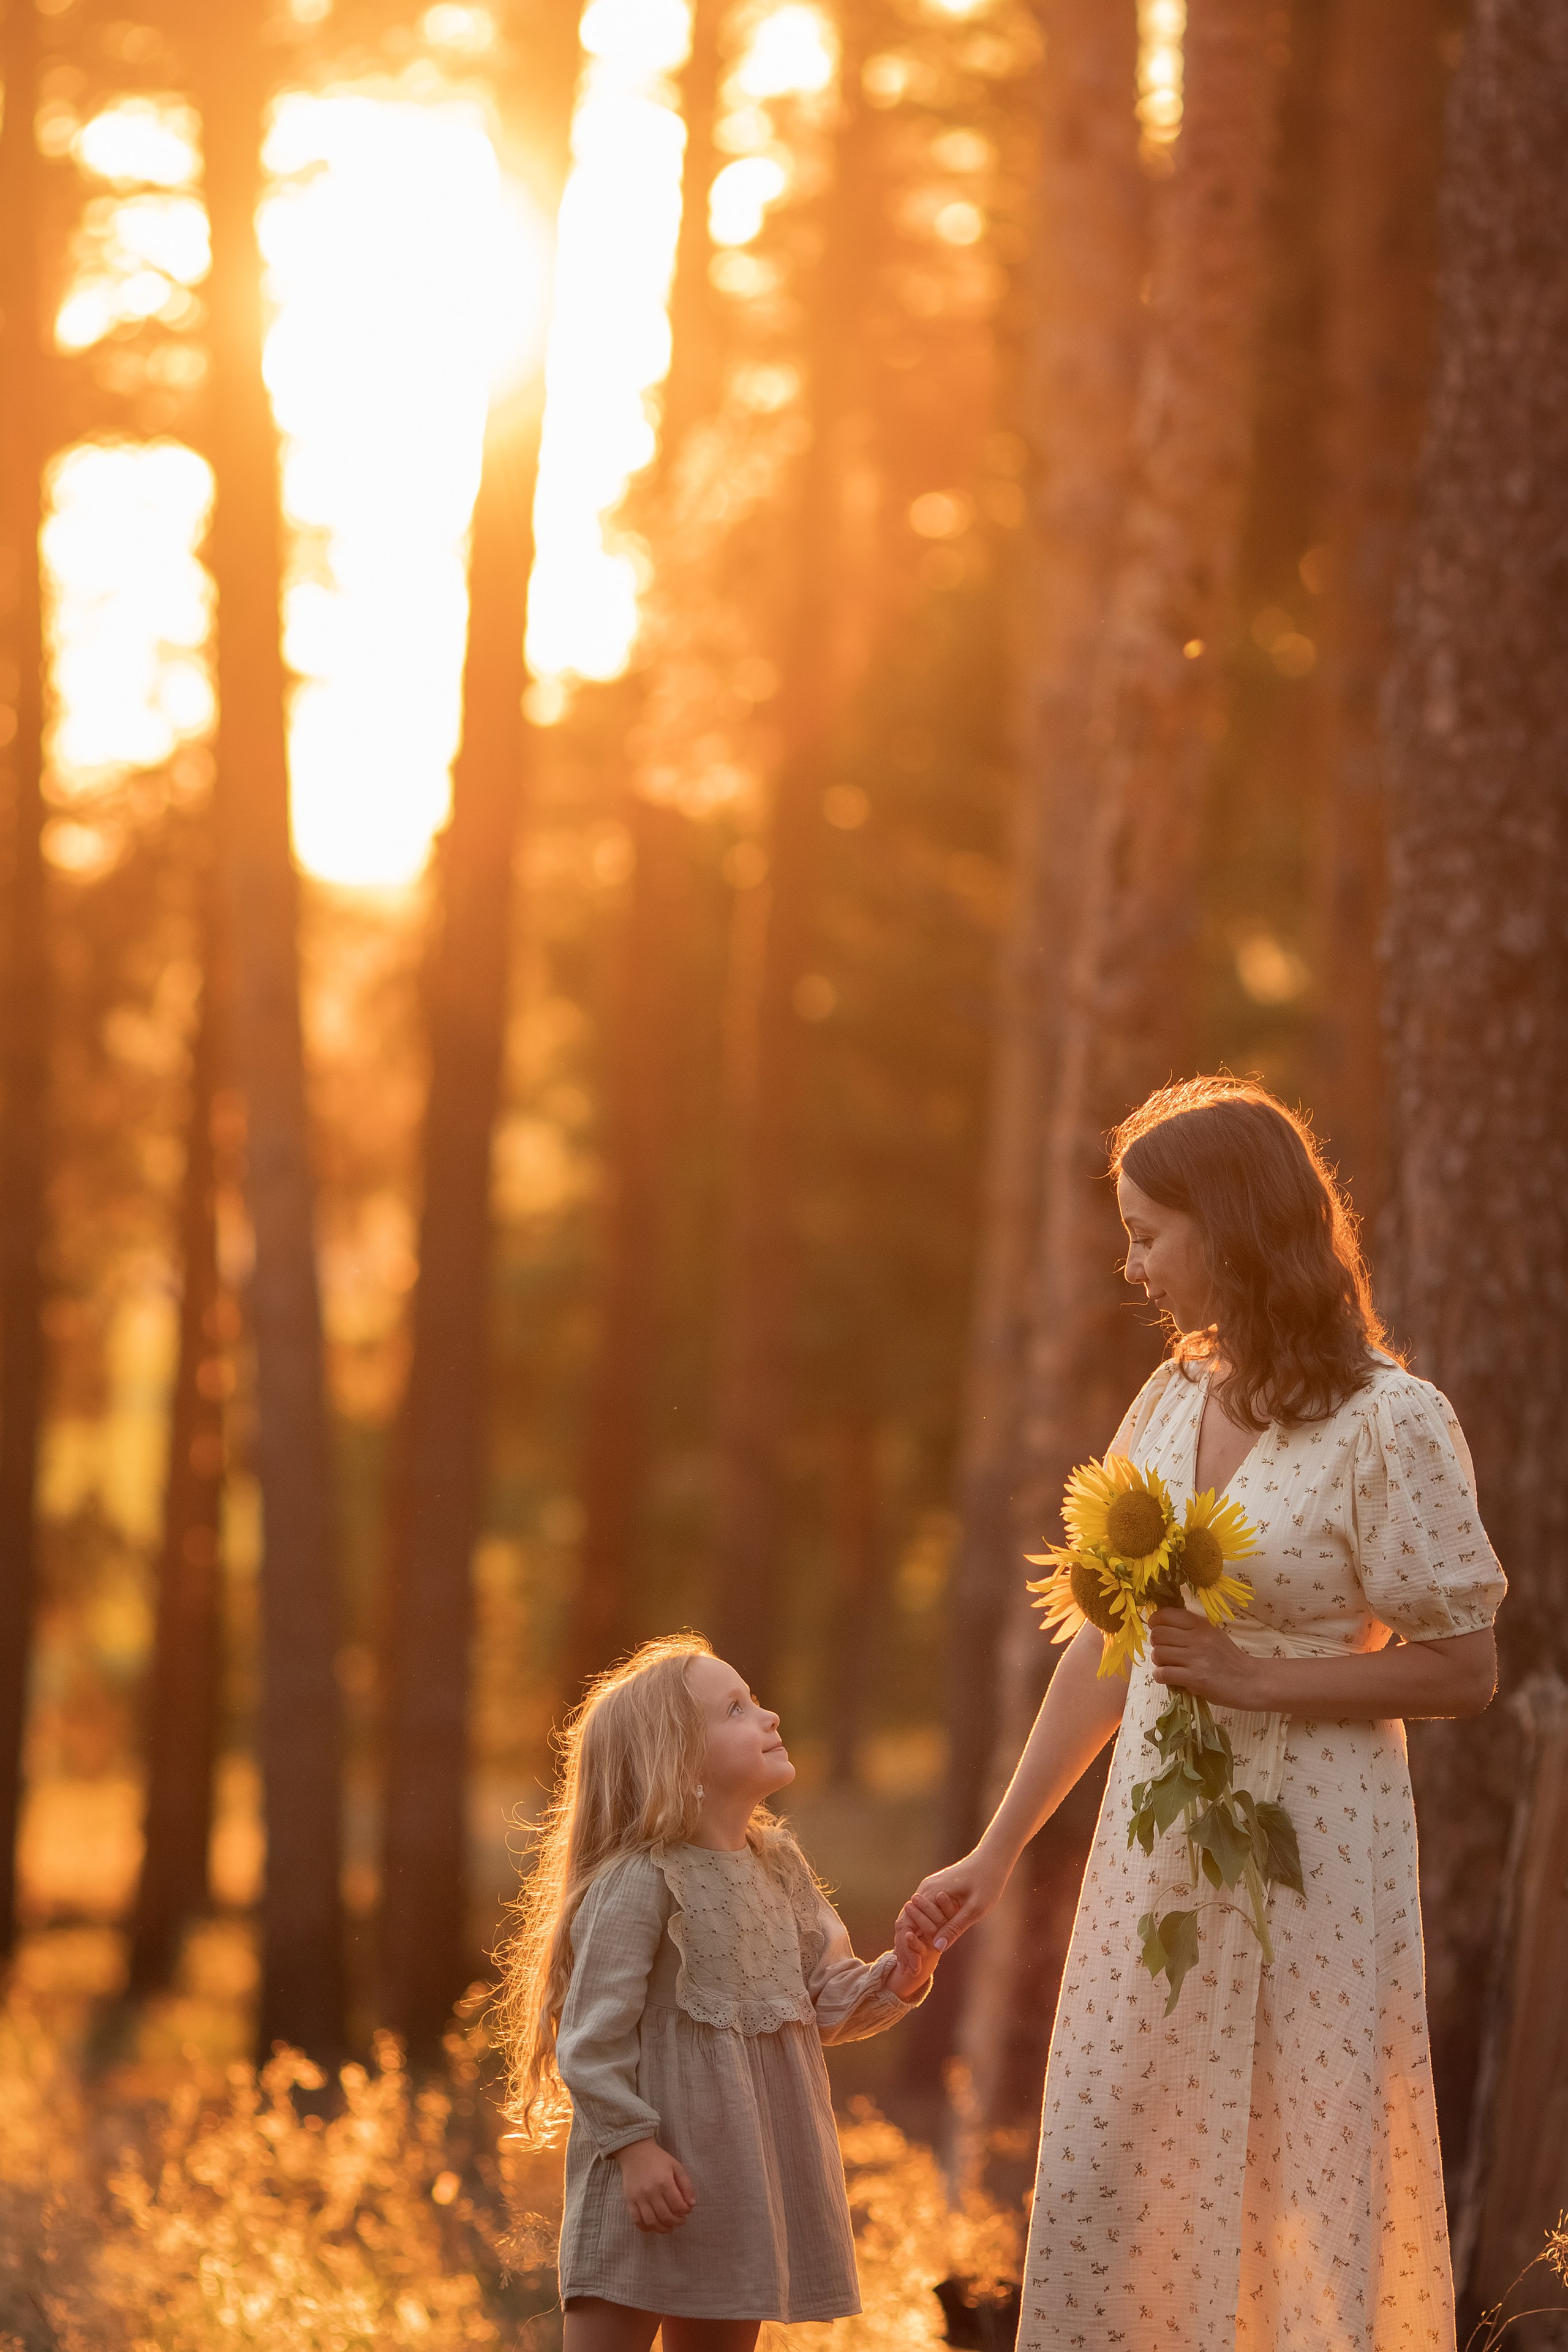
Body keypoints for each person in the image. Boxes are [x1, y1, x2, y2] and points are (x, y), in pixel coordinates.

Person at [902, 1076, 1506, 2351]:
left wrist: (1263, 1679)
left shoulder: (1388, 1421)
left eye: (1145, 1233)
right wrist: (993, 1852)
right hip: (1156, 1850)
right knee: (1121, 2162)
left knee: (1299, 2170)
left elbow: (1462, 1668)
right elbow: (1108, 1650)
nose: (1131, 1266)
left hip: (1319, 1854)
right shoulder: (1173, 1399)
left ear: (1227, 1226)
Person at [495, 1632, 943, 2352]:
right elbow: (590, 2040)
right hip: (652, 2183)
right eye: (736, 1709)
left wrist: (903, 1972)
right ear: (678, 1762)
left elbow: (820, 2001)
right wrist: (635, 2150)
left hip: (742, 2183)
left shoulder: (779, 1868)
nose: (766, 1718)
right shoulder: (640, 1881)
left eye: (756, 1701)